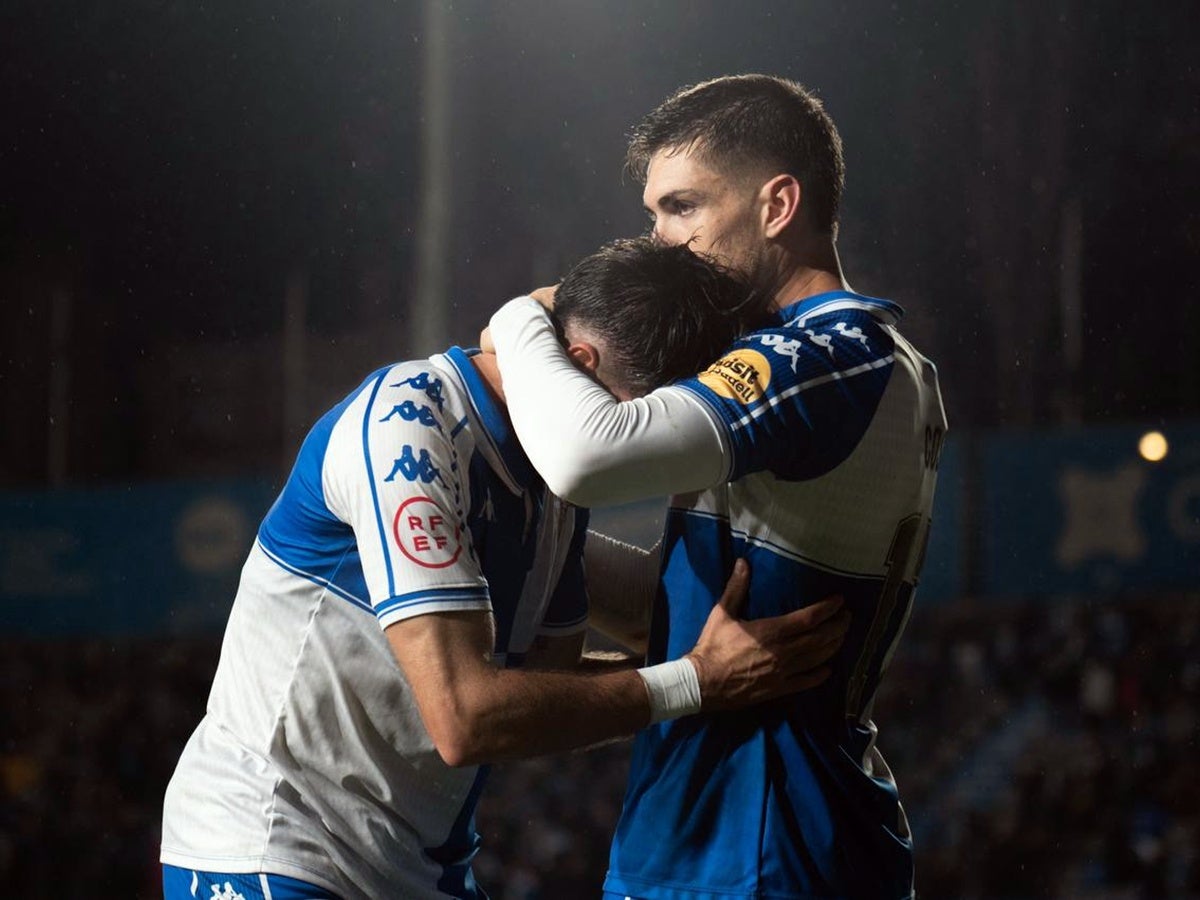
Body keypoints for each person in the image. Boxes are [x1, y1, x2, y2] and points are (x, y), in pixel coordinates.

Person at [159, 238, 848, 900]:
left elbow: (534, 690)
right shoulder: (408, 426)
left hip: (416, 869)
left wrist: (714, 667)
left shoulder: (552, 483)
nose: (638, 455)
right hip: (272, 846)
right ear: (578, 363)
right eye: (639, 421)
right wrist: (695, 682)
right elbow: (465, 718)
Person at [486, 75, 947, 899]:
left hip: (758, 842)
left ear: (777, 206)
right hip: (735, 830)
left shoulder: (827, 354)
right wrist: (515, 550)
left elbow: (587, 457)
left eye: (684, 206)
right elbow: (707, 605)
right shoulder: (862, 358)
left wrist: (526, 313)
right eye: (656, 213)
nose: (661, 241)